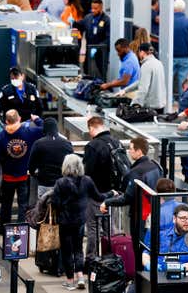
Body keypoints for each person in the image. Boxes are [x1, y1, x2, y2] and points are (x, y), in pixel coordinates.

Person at [53, 154, 114, 290]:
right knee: (78, 248)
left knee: (67, 251)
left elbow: (55, 203)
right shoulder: (87, 181)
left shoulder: (60, 183)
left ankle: (70, 280)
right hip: (80, 220)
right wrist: (111, 193)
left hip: (65, 221)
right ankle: (80, 276)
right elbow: (98, 196)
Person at [101, 137, 161, 258]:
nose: (129, 151)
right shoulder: (155, 166)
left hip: (140, 216)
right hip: (155, 213)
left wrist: (107, 202)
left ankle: (139, 275)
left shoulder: (136, 172)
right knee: (153, 246)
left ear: (139, 151)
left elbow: (127, 198)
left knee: (139, 248)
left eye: (131, 149)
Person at [0, 110, 43, 229]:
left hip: (7, 176)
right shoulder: (28, 132)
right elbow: (44, 128)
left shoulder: (1, 135)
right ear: (19, 119)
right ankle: (21, 227)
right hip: (24, 175)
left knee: (6, 204)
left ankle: (4, 227)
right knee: (22, 204)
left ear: (6, 121)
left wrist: (5, 156)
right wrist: (36, 119)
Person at [83, 116, 121, 264]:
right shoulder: (116, 142)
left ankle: (91, 259)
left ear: (92, 128)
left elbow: (88, 172)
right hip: (113, 193)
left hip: (96, 193)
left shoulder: (93, 146)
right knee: (108, 227)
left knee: (93, 227)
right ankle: (110, 257)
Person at [28, 117, 74, 198]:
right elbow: (72, 164)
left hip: (45, 184)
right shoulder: (67, 143)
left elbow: (31, 165)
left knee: (43, 207)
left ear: (44, 129)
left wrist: (34, 174)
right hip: (62, 184)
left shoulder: (38, 143)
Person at [158, 204, 188, 271]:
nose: (187, 221)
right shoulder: (162, 235)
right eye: (183, 218)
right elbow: (146, 253)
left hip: (184, 276)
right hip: (159, 274)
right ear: (174, 219)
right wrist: (149, 265)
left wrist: (178, 268)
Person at [122, 43, 166, 111]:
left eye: (138, 52)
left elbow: (143, 89)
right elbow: (141, 81)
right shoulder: (159, 63)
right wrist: (125, 90)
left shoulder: (146, 66)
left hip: (150, 107)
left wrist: (133, 104)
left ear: (142, 52)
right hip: (160, 104)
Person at [74, 0, 111, 76]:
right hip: (89, 49)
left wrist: (98, 47)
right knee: (87, 70)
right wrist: (73, 23)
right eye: (92, 8)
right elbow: (80, 25)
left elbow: (108, 38)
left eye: (95, 8)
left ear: (101, 8)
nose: (93, 10)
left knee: (101, 72)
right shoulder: (88, 17)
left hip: (101, 52)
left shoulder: (106, 20)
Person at [172, 0, 188, 94]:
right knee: (183, 82)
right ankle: (183, 102)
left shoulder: (169, 21)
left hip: (170, 57)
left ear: (173, 9)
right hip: (184, 56)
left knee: (167, 80)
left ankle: (168, 102)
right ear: (183, 9)